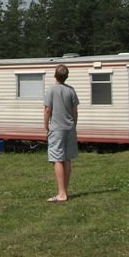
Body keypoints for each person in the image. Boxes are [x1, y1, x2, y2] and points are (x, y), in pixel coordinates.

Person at [44, 63, 79, 202]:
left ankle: (61, 194)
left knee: (57, 159)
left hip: (57, 129)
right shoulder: (71, 90)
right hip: (70, 128)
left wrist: (46, 126)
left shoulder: (51, 90)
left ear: (55, 75)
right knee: (67, 158)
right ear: (66, 76)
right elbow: (75, 111)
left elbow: (47, 110)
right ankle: (65, 191)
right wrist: (74, 125)